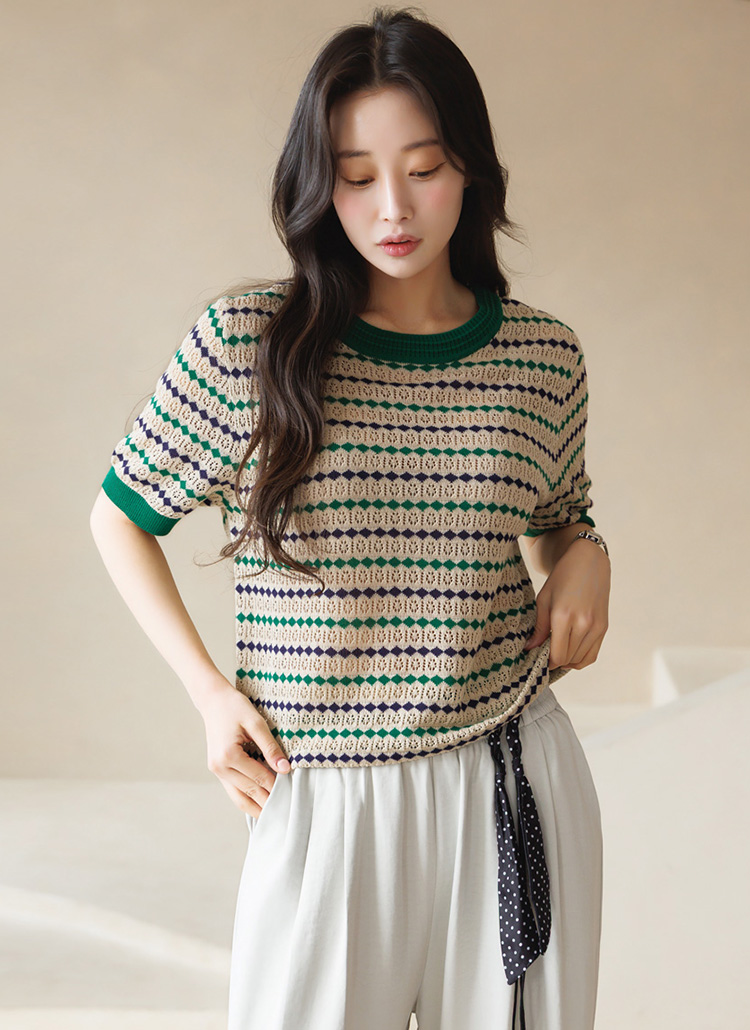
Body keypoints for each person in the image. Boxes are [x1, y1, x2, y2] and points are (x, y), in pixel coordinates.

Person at [89, 6, 610, 1029]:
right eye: (356, 175)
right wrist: (208, 695)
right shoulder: (248, 344)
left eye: (424, 167)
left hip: (509, 775)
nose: (392, 207)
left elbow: (560, 514)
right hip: (324, 790)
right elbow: (118, 517)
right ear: (316, 183)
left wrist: (586, 552)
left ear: (470, 170)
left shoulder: (542, 357)